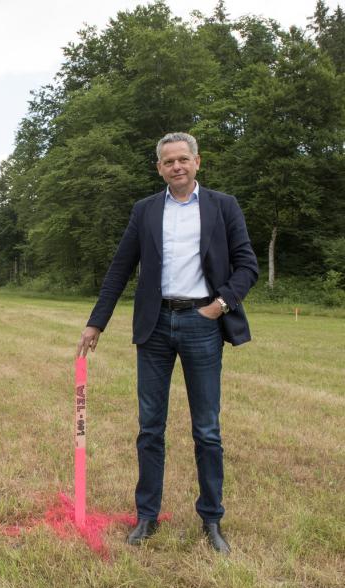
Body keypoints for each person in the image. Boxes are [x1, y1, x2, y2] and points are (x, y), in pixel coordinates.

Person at [76, 132, 258, 554]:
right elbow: (120, 268)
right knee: (150, 427)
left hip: (202, 324)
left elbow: (247, 263)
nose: (176, 166)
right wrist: (96, 323)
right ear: (159, 168)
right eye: (168, 161)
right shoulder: (145, 211)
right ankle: (146, 517)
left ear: (197, 162)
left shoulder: (223, 206)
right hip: (154, 326)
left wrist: (219, 305)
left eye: (183, 159)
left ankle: (211, 520)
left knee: (207, 430)